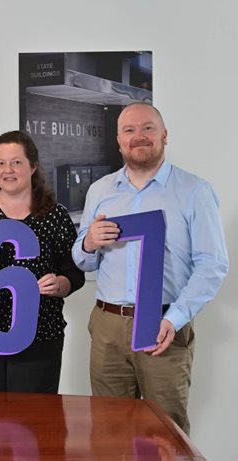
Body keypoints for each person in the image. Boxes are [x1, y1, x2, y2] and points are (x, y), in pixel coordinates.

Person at [72, 102, 228, 434]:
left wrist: (175, 318)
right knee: (108, 431)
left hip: (164, 325)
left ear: (164, 135)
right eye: (129, 130)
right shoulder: (100, 191)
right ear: (119, 141)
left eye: (147, 128)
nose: (139, 137)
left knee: (165, 435)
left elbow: (212, 265)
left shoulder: (194, 191)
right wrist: (88, 243)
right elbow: (83, 260)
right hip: (108, 328)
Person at [0, 130, 84, 393]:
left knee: (34, 424)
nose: (7, 170)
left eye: (16, 162)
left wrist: (60, 283)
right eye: (0, 163)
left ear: (33, 166)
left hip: (40, 336)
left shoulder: (55, 215)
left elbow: (74, 273)